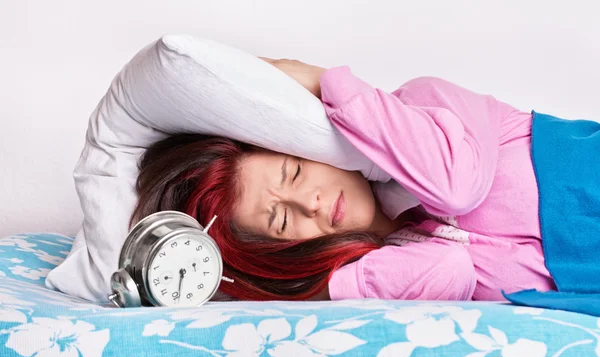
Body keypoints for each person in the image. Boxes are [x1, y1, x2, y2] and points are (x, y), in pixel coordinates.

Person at [129, 57, 561, 304]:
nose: (310, 204)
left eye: (294, 171)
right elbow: (450, 270)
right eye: (281, 221)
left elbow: (456, 188)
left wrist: (323, 80)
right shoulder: (407, 255)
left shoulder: (424, 102)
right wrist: (316, 285)